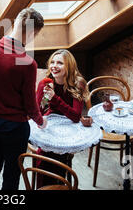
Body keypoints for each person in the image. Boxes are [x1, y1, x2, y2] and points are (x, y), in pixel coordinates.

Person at [0, 8, 47, 190]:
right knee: (12, 175)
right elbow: (30, 103)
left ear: (16, 23)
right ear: (31, 32)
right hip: (15, 128)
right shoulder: (28, 63)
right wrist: (40, 120)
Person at [35, 49, 89, 188]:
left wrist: (55, 98)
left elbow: (75, 116)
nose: (54, 65)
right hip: (51, 123)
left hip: (69, 126)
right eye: (52, 62)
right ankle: (43, 188)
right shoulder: (45, 83)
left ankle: (60, 185)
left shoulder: (78, 84)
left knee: (59, 156)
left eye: (60, 63)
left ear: (69, 66)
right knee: (44, 156)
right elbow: (38, 111)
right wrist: (45, 96)